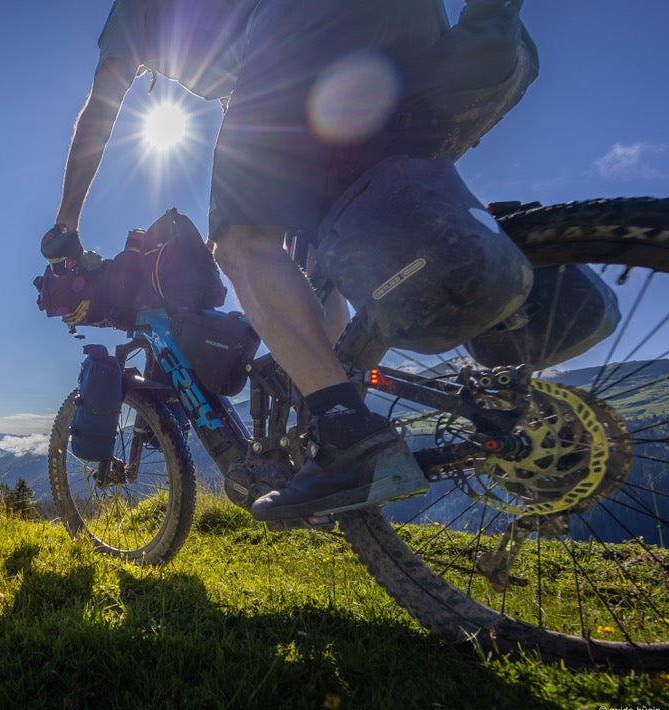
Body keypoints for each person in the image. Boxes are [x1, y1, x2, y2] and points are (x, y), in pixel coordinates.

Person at [46, 0, 534, 522]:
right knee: (344, 233)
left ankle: (345, 429)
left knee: (242, 243)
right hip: (410, 29)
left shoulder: (132, 14)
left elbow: (100, 110)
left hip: (302, 30)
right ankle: (498, 326)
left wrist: (66, 224)